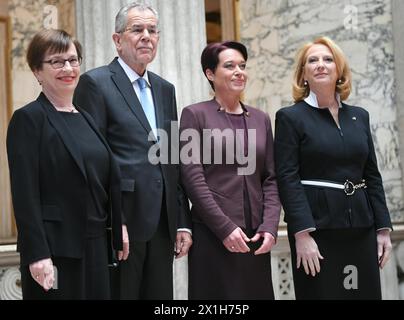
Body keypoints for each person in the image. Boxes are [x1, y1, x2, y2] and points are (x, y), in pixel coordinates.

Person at [73, 3, 192, 300]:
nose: (146, 37)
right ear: (117, 39)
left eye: (152, 30)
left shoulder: (165, 89)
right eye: (137, 29)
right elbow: (92, 162)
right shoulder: (95, 83)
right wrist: (114, 222)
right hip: (122, 224)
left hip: (163, 223)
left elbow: (171, 157)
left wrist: (181, 221)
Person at [6, 29, 129, 300]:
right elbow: (25, 195)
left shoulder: (85, 118)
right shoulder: (28, 119)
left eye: (73, 60)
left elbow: (103, 180)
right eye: (57, 61)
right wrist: (37, 254)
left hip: (97, 247)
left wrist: (118, 224)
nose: (68, 68)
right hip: (56, 251)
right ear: (37, 71)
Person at [274, 36, 393, 300]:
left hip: (362, 228)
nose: (321, 65)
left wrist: (383, 228)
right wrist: (301, 234)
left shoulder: (359, 116)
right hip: (317, 233)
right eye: (312, 60)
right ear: (303, 74)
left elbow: (371, 175)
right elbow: (287, 177)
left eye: (328, 60)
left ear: (339, 69)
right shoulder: (290, 118)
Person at [180, 41, 281, 299]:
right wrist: (224, 228)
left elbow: (271, 177)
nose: (239, 71)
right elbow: (193, 178)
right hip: (213, 236)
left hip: (256, 237)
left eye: (242, 66)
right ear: (210, 74)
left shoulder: (261, 119)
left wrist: (269, 226)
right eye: (230, 66)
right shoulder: (194, 114)